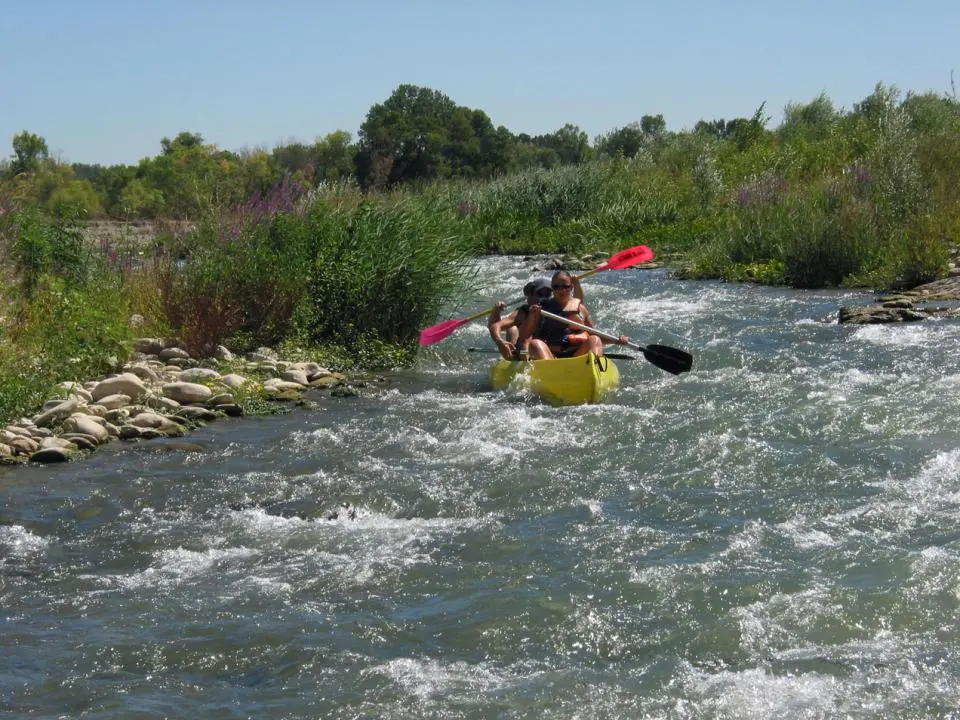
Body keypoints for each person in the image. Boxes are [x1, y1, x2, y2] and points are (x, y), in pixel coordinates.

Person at [519, 270, 628, 360]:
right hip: (552, 357)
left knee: (594, 339)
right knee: (535, 344)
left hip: (578, 355)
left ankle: (595, 369)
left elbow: (595, 334)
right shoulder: (541, 308)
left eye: (565, 287)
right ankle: (550, 373)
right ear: (552, 288)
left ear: (571, 288)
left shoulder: (581, 309)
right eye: (556, 287)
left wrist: (616, 340)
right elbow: (524, 336)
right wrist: (531, 316)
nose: (561, 290)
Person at [488, 278, 553, 360]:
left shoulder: (553, 308)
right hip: (524, 352)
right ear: (530, 294)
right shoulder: (522, 313)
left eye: (547, 294)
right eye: (540, 293)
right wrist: (500, 342)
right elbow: (494, 326)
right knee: (513, 330)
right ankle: (512, 354)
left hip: (548, 349)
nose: (543, 298)